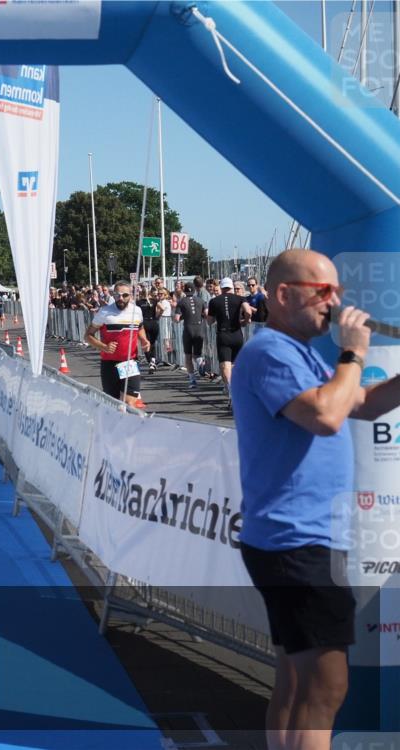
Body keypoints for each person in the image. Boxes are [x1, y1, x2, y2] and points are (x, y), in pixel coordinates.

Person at [231, 248, 400, 750]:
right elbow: (325, 416)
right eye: (324, 292)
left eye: (338, 294)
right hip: (297, 543)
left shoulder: (296, 351)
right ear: (284, 295)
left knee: (295, 680)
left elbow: (358, 404)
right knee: (326, 687)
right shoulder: (269, 353)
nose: (335, 303)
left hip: (296, 540)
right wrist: (354, 352)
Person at [85, 282, 151, 409]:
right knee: (113, 405)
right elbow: (87, 336)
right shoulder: (104, 312)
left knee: (129, 404)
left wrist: (143, 340)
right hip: (109, 364)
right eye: (117, 295)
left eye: (124, 295)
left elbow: (140, 327)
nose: (120, 298)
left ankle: (129, 428)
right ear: (113, 295)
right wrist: (104, 347)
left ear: (131, 296)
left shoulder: (136, 311)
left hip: (129, 362)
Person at [206, 277, 253, 402]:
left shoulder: (214, 301)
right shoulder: (240, 298)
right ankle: (239, 389)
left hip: (223, 334)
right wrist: (246, 320)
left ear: (221, 287)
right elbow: (248, 311)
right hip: (237, 333)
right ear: (231, 287)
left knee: (225, 365)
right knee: (236, 364)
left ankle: (231, 391)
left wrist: (215, 316)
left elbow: (209, 321)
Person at [174, 282, 207, 388]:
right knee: (197, 354)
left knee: (188, 356)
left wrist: (184, 316)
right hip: (199, 328)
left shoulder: (181, 302)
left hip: (188, 329)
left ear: (184, 290)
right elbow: (206, 314)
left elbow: (177, 319)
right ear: (194, 290)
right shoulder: (201, 300)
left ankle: (192, 381)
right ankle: (200, 361)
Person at [135, 287, 158, 372]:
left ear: (141, 294)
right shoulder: (154, 301)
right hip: (154, 323)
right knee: (152, 343)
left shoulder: (138, 302)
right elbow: (162, 308)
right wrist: (157, 317)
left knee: (145, 343)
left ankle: (151, 363)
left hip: (144, 323)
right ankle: (153, 361)